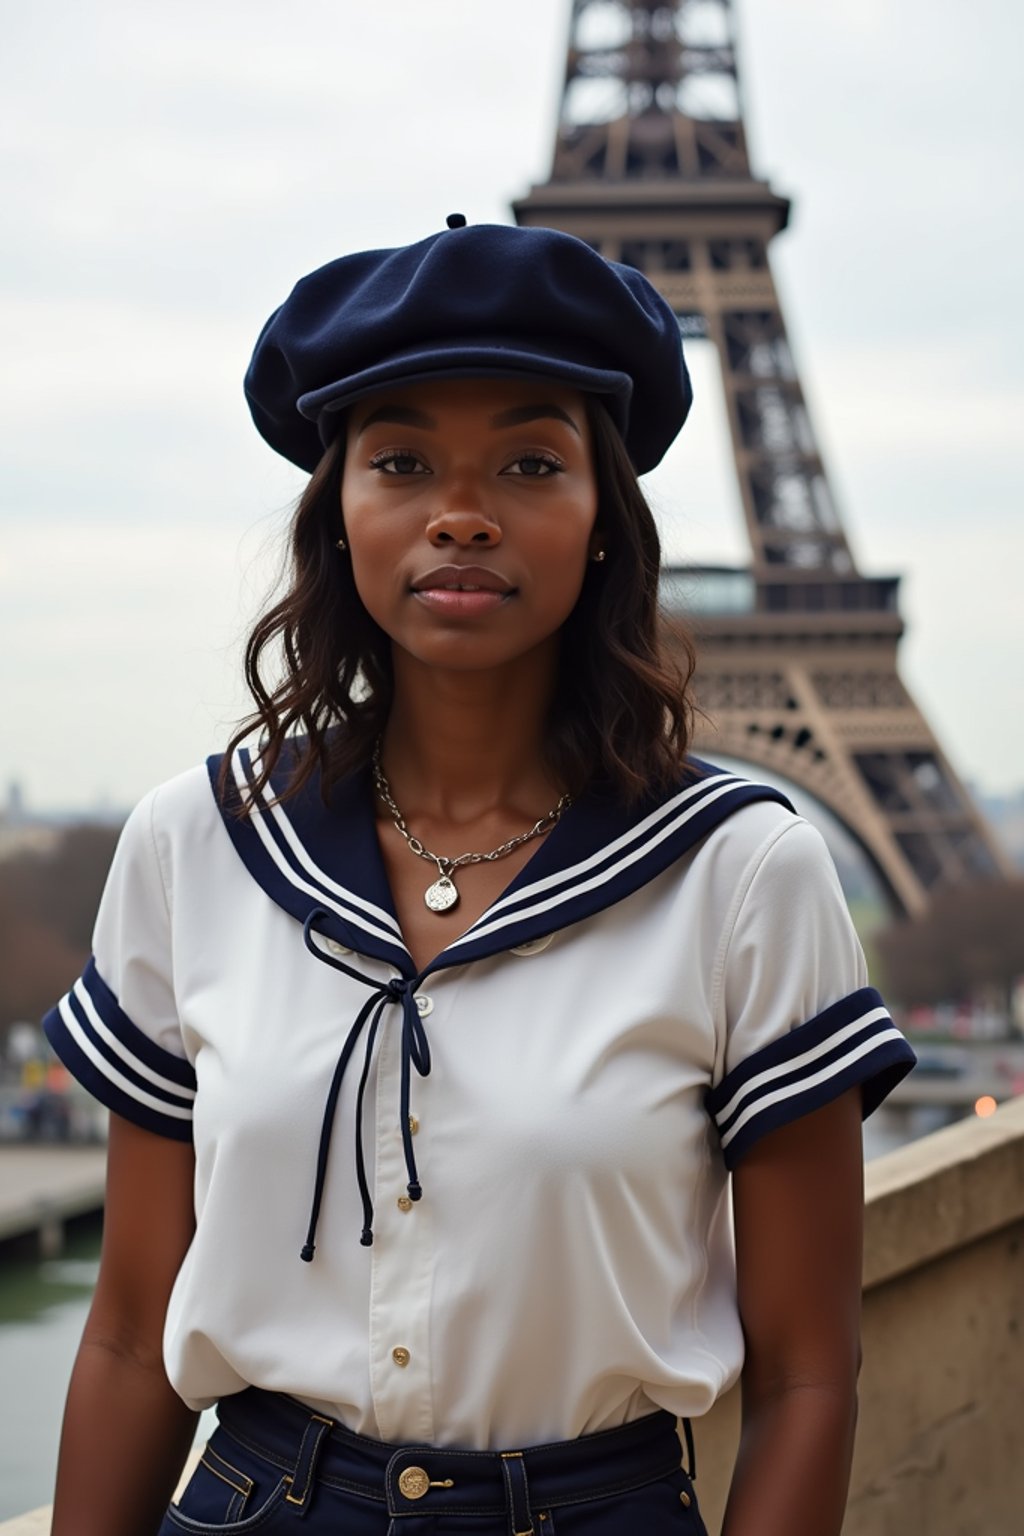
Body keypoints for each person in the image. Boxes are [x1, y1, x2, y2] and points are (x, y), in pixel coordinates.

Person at [43, 216, 916, 1536]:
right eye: (402, 461)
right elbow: (124, 1330)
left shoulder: (745, 875)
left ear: (602, 517)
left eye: (527, 460)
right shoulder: (191, 844)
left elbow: (807, 1374)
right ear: (338, 515)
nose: (462, 512)